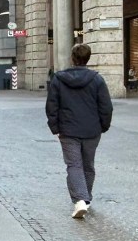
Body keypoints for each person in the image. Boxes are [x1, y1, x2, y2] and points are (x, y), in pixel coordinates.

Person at [45, 43, 114, 219]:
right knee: (88, 165)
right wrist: (103, 126)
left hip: (68, 130)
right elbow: (106, 107)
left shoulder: (59, 79)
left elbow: (51, 106)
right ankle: (85, 199)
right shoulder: (97, 80)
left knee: (74, 165)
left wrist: (55, 127)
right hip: (92, 130)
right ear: (88, 58)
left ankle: (80, 199)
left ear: (72, 58)